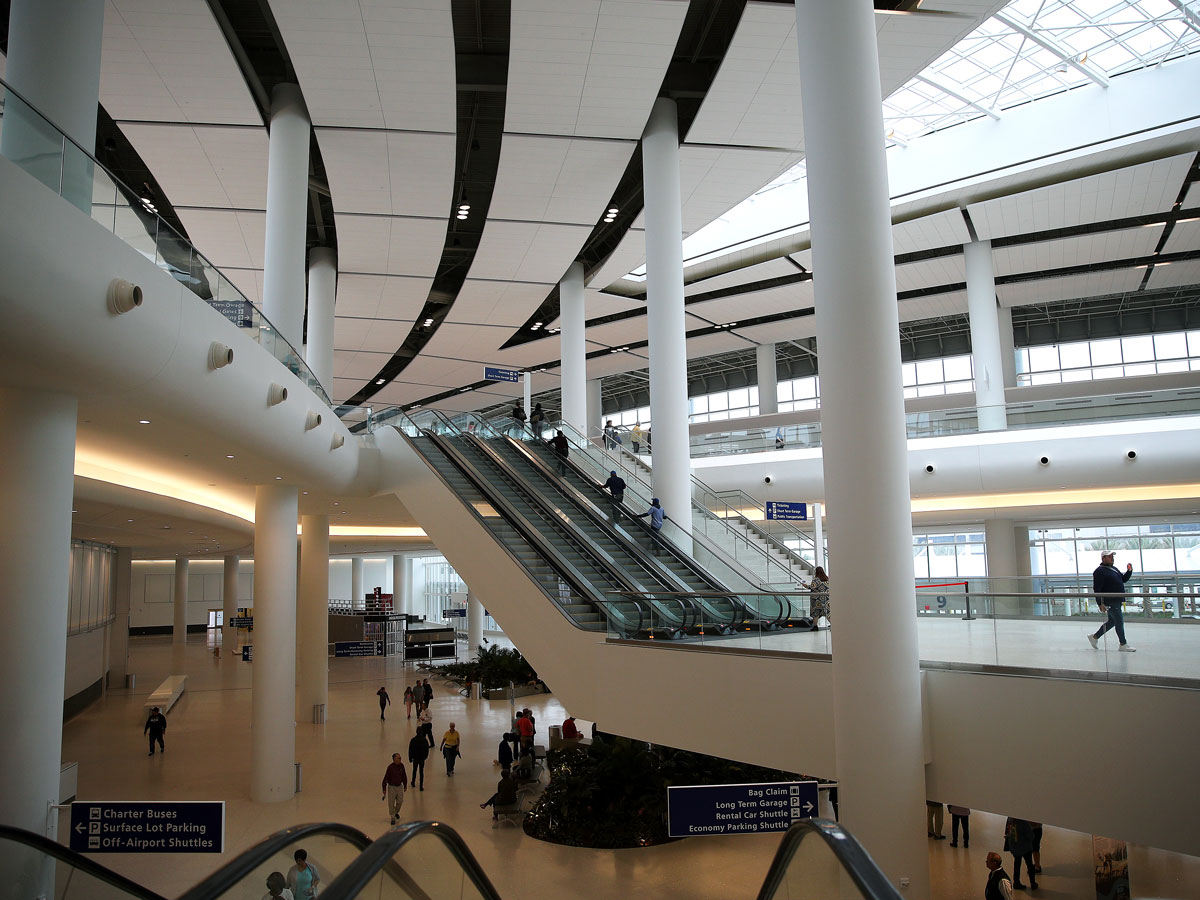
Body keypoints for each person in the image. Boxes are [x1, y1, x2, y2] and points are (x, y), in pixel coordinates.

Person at [1089, 550, 1136, 652]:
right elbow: (1097, 588)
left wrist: (1129, 571)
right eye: (1109, 556)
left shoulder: (1113, 569)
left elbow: (1123, 579)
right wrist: (1100, 603)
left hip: (1116, 599)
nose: (1112, 558)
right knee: (1118, 621)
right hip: (1110, 600)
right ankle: (1123, 644)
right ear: (1103, 558)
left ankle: (1094, 637)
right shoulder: (1099, 571)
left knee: (1112, 621)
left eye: (1112, 556)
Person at [1004, 817, 1038, 891]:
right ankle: (1033, 883)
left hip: (1015, 847)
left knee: (1017, 864)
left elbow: (1007, 832)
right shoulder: (1023, 822)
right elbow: (1030, 836)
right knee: (1029, 865)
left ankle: (1016, 882)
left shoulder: (1010, 819)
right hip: (1025, 848)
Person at [381, 752, 409, 825]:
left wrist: (405, 785)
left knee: (400, 801)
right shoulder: (390, 768)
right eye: (398, 758)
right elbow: (385, 778)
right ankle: (392, 817)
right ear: (394, 759)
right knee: (391, 802)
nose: (400, 759)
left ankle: (396, 812)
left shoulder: (402, 766)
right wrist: (384, 789)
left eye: (400, 758)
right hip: (392, 787)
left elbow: (404, 776)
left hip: (399, 786)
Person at [805, 567, 831, 631]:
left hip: (817, 599)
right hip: (826, 599)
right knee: (827, 613)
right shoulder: (827, 579)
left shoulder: (816, 580)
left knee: (816, 613)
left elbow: (812, 587)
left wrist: (805, 586)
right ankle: (834, 624)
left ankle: (815, 626)